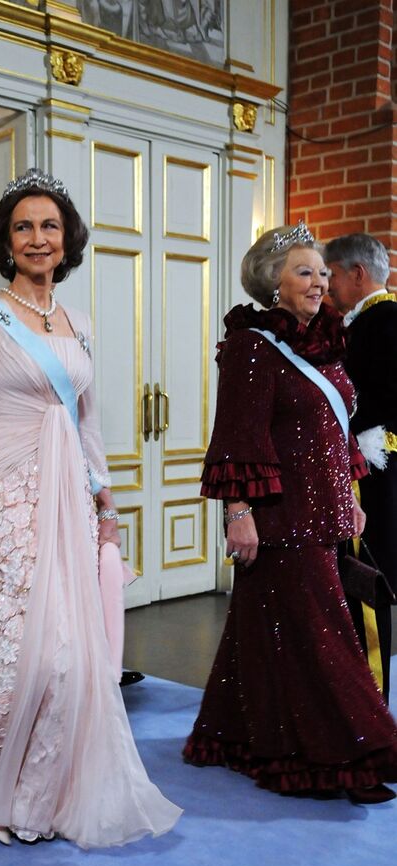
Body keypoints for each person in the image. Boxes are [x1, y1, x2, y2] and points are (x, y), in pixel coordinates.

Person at [0, 168, 181, 847]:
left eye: (49, 225)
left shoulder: (77, 321)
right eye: (23, 226)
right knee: (12, 647)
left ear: (68, 237)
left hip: (71, 501)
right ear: (5, 239)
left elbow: (88, 420)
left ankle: (39, 789)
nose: (37, 237)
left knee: (71, 652)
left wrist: (107, 504)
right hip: (8, 499)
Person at [182, 223, 397, 804]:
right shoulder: (254, 346)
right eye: (304, 271)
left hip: (325, 512)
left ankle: (232, 733)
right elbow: (237, 434)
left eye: (323, 273)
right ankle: (347, 753)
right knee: (322, 635)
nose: (319, 282)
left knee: (265, 628)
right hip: (280, 517)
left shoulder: (322, 344)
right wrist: (238, 511)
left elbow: (338, 428)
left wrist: (351, 496)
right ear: (271, 283)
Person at [324, 233, 397, 702]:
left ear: (356, 274)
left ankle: (369, 698)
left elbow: (377, 399)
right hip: (377, 464)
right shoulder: (372, 320)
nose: (326, 286)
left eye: (329, 274)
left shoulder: (381, 322)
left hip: (373, 471)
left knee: (367, 579)